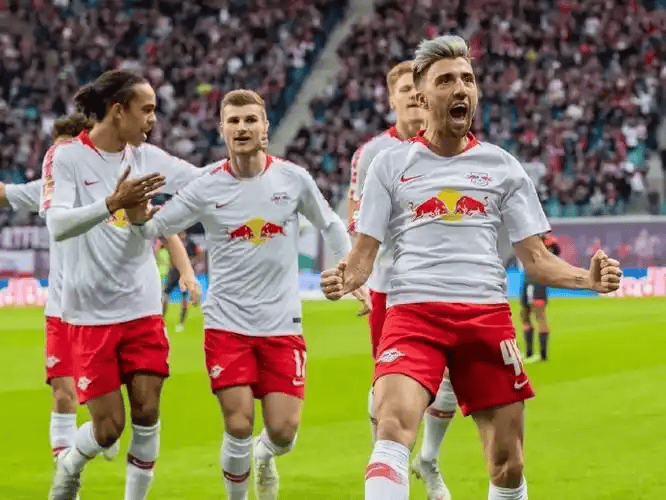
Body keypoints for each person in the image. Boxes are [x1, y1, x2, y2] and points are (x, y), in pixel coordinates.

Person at [320, 35, 622, 500]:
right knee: (392, 428)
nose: (460, 88)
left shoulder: (503, 167)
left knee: (508, 466)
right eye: (446, 80)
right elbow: (363, 255)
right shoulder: (389, 165)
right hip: (413, 314)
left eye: (467, 79)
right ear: (422, 96)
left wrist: (587, 279)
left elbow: (535, 259)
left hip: (486, 316)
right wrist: (345, 277)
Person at [127, 89, 353, 500]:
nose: (242, 127)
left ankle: (265, 456)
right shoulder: (205, 186)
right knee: (238, 424)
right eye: (234, 121)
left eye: (251, 120)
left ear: (265, 127)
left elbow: (331, 223)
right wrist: (135, 210)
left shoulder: (293, 179)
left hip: (282, 324)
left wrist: (350, 269)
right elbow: (153, 229)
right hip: (227, 324)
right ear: (222, 130)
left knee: (283, 432)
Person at [42, 70, 202, 500]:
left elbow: (203, 180)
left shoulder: (147, 157)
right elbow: (58, 224)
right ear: (118, 111)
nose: (153, 119)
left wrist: (250, 168)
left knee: (148, 411)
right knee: (109, 428)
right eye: (146, 109)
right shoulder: (66, 157)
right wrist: (113, 202)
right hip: (90, 313)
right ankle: (71, 465)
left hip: (142, 307)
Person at [348, 60, 454, 500]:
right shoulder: (373, 153)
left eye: (417, 87)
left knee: (449, 385)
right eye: (404, 89)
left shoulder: (449, 145)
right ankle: (387, 459)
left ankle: (428, 457)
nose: (412, 94)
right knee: (388, 384)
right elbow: (357, 216)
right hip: (391, 286)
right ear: (392, 98)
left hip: (445, 281)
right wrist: (356, 268)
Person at [1, 114, 122, 464]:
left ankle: (101, 432)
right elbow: (5, 194)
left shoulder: (112, 187)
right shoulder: (49, 187)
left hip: (105, 310)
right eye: (55, 151)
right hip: (61, 310)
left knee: (106, 406)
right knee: (63, 393)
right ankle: (67, 475)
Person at [520, 233, 561, 362]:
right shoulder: (545, 253)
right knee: (526, 316)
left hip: (534, 284)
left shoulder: (541, 253)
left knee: (538, 317)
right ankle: (530, 353)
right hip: (530, 283)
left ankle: (539, 355)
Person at [162, 231, 203, 332]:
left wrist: (191, 262)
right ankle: (162, 320)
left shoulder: (190, 243)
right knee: (165, 295)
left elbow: (199, 252)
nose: (182, 234)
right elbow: (165, 246)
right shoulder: (173, 240)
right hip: (174, 273)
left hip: (184, 274)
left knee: (184, 298)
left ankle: (181, 322)